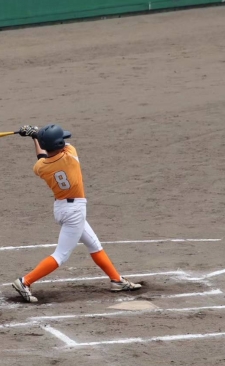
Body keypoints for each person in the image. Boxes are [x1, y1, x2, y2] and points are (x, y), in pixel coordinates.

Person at [12, 124, 141, 303]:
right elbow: (56, 146)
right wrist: (36, 133)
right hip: (74, 211)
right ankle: (25, 282)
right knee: (61, 255)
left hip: (61, 208)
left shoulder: (40, 167)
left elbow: (42, 156)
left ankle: (116, 280)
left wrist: (35, 137)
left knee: (94, 244)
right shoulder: (70, 154)